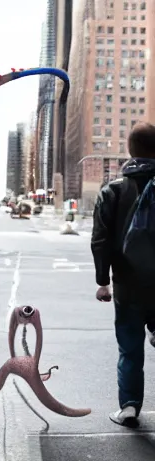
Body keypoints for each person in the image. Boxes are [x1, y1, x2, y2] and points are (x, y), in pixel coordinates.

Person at [91, 122, 155, 428]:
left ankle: (129, 407)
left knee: (130, 347)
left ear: (129, 151)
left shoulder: (113, 191)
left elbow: (101, 241)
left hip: (128, 285)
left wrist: (103, 281)